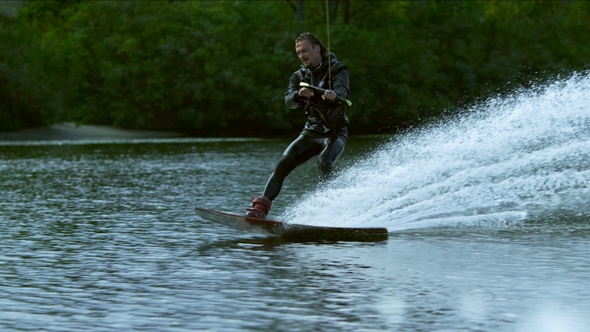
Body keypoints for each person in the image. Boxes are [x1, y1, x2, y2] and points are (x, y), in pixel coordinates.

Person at [245, 32, 350, 219]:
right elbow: (288, 101)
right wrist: (298, 95)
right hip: (311, 133)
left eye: (305, 51)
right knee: (283, 162)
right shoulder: (298, 76)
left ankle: (330, 210)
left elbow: (343, 92)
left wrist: (334, 95)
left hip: (335, 133)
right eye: (298, 53)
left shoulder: (338, 69)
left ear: (317, 48)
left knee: (324, 161)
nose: (302, 56)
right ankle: (260, 208)